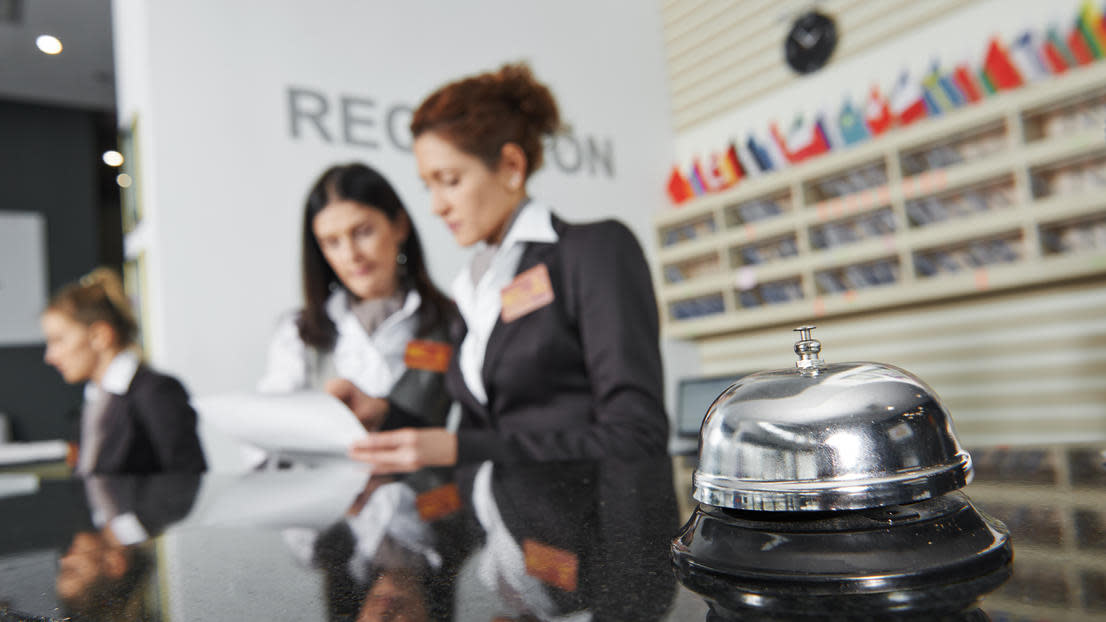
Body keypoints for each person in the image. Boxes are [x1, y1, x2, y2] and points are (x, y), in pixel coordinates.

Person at [349, 63, 669, 472]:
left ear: (511, 167)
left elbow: (637, 436)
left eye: (449, 180)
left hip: (583, 530)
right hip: (498, 530)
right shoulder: (472, 286)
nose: (436, 205)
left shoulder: (593, 251)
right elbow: (481, 424)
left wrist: (461, 450)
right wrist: (381, 414)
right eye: (427, 186)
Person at [258, 162, 457, 431]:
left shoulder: (453, 323)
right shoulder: (298, 332)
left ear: (399, 226)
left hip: (427, 474)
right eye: (332, 242)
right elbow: (270, 432)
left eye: (363, 232)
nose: (351, 255)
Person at [41, 268, 207, 475]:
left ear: (99, 336)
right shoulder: (96, 401)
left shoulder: (156, 392)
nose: (50, 356)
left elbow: (187, 480)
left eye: (58, 340)